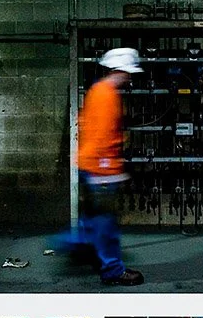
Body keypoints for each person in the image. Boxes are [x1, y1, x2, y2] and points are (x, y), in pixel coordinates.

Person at [59, 47, 145, 286]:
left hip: (90, 165)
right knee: (106, 226)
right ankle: (113, 271)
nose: (130, 77)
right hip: (100, 169)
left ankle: (76, 247)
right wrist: (108, 172)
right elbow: (103, 137)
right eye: (128, 72)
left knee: (93, 219)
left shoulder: (97, 91)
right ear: (119, 70)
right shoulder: (107, 95)